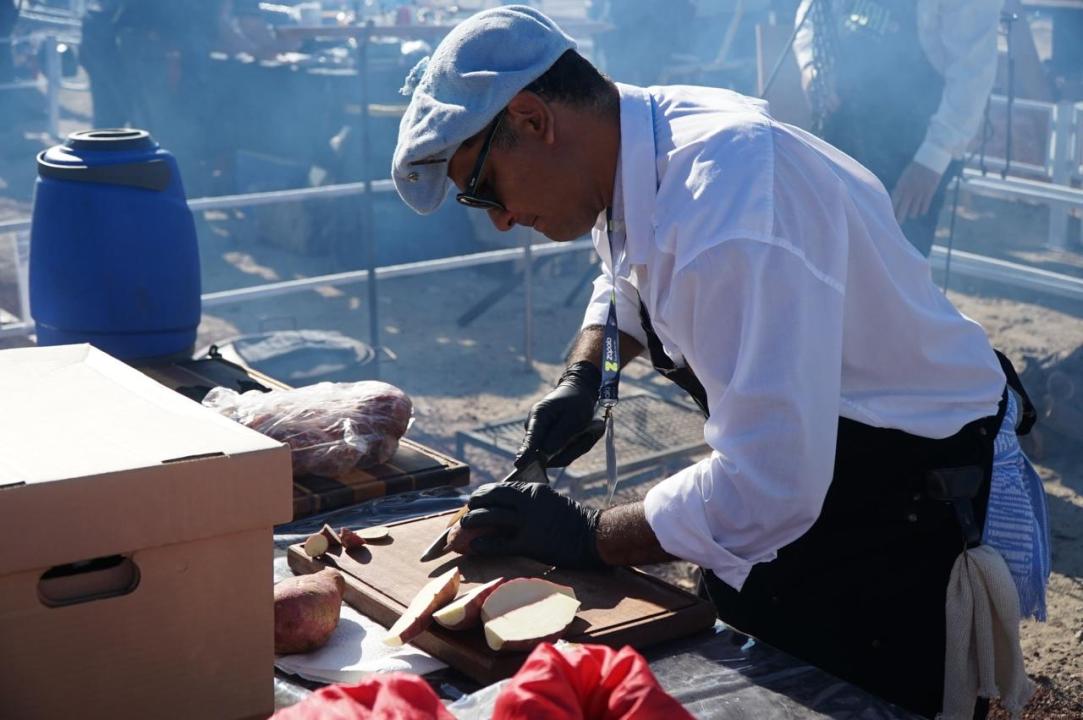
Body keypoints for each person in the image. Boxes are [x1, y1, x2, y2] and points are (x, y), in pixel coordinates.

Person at [391, 7, 1049, 718]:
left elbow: (767, 484)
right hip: (818, 467)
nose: (496, 217)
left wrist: (587, 533)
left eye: (484, 187)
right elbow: (627, 277)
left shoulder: (731, 209)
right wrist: (589, 376)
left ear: (531, 119)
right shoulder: (635, 145)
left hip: (899, 488)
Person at [792, 0, 1003, 256]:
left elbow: (972, 72)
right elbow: (814, 13)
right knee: (831, 253)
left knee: (895, 261)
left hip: (911, 151)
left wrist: (932, 158)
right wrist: (812, 66)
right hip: (842, 128)